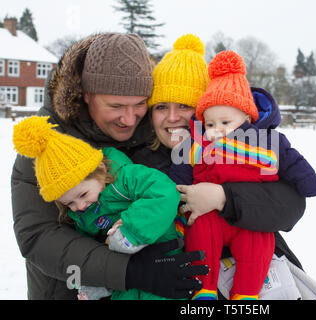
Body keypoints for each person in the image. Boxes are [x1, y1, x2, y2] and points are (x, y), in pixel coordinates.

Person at [11, 33, 208, 300]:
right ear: (86, 96)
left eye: (140, 104)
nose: (129, 119)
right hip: (66, 290)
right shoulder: (48, 142)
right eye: (116, 106)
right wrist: (127, 271)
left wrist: (225, 198)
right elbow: (39, 236)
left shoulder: (156, 128)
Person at [131, 34, 311, 299]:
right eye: (161, 107)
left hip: (253, 278)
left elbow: (291, 206)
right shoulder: (138, 162)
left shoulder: (251, 145)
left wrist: (224, 197)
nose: (173, 117)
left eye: (185, 105)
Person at [169, 50, 316, 300]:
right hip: (209, 218)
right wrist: (175, 195)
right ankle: (204, 288)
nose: (216, 130)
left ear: (246, 117)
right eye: (210, 124)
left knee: (259, 242)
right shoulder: (196, 145)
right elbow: (177, 176)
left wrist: (309, 183)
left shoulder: (265, 142)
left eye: (225, 122)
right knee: (201, 231)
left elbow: (292, 161)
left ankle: (246, 293)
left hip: (251, 220)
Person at [13, 116, 186, 300]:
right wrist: (94, 284)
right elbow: (92, 253)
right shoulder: (82, 216)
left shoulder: (125, 179)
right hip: (126, 282)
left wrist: (131, 232)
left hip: (164, 259)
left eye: (83, 195)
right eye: (69, 203)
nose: (78, 206)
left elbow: (164, 192)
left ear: (101, 170)